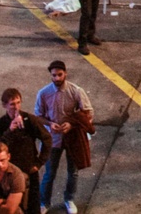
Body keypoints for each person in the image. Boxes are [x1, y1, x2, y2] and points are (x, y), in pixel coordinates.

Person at [35, 59, 94, 214]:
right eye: (54, 75)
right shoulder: (43, 93)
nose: (57, 79)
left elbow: (87, 113)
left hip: (72, 139)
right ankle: (44, 202)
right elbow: (38, 116)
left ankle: (69, 200)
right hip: (53, 139)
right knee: (49, 174)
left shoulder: (75, 91)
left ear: (65, 73)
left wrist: (71, 125)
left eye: (60, 75)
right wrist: (49, 123)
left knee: (72, 172)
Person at [0, 88, 51, 199]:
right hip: (8, 171)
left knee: (32, 202)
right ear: (5, 105)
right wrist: (10, 131)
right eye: (12, 104)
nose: (17, 107)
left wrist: (39, 163)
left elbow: (47, 138)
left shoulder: (30, 120)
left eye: (18, 103)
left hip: (28, 168)